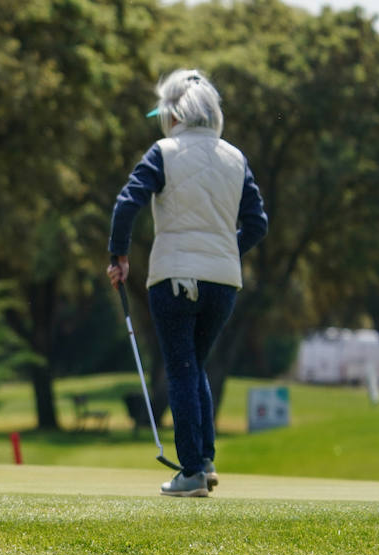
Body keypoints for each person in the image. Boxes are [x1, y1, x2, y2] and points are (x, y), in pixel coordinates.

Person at [108, 69, 268, 497]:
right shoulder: (236, 158)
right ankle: (206, 460)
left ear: (173, 115)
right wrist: (226, 249)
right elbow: (257, 224)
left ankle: (192, 471)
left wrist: (118, 255)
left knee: (179, 368)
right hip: (222, 283)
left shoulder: (164, 151)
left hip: (174, 278)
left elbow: (128, 204)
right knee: (193, 366)